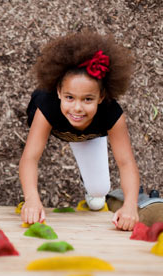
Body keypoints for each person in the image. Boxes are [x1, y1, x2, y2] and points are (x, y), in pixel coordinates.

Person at [19, 31, 139, 231]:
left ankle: (90, 185)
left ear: (101, 97)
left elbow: (126, 163)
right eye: (70, 97)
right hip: (56, 123)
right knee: (34, 148)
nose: (77, 108)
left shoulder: (111, 114)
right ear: (58, 92)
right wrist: (31, 199)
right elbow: (30, 158)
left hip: (89, 134)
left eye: (88, 99)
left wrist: (130, 206)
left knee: (98, 194)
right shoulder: (47, 106)